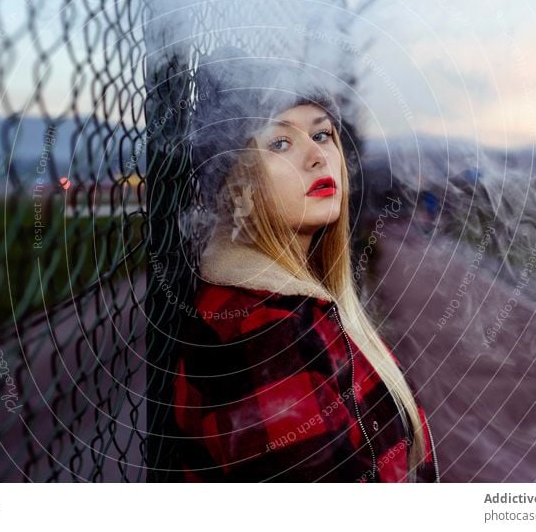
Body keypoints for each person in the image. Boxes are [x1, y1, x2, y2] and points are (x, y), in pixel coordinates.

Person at [170, 47, 440, 482]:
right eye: (280, 142)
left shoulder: (292, 309)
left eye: (321, 134)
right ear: (235, 187)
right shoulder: (265, 335)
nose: (317, 157)